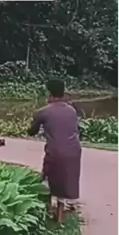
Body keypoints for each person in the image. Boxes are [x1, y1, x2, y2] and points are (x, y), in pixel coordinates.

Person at [28, 78, 82, 223]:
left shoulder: (43, 112)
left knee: (48, 177)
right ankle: (60, 213)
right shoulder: (72, 111)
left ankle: (48, 211)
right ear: (63, 93)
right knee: (66, 179)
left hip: (55, 151)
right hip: (74, 150)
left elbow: (31, 131)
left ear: (49, 94)